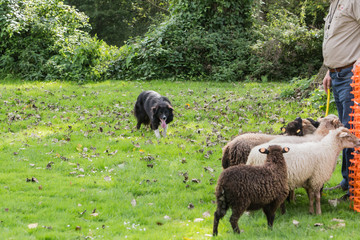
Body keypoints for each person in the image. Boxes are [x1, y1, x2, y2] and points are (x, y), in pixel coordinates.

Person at [322, 0, 360, 200]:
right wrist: (329, 70)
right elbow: (338, 37)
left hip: (351, 75)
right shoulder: (335, 3)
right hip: (337, 75)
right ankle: (347, 180)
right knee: (343, 129)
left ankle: (355, 188)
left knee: (351, 131)